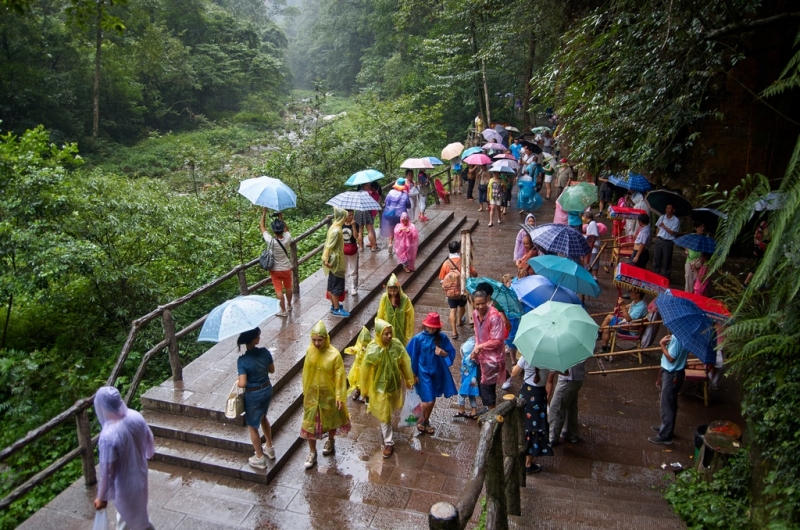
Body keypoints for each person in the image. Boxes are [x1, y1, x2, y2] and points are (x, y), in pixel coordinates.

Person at [93, 386, 156, 530]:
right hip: (140, 473)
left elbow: (108, 470)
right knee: (138, 513)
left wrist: (102, 497)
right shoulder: (135, 416)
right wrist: (148, 453)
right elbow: (149, 437)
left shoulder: (108, 436)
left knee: (126, 519)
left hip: (125, 484)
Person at [360, 318, 415, 458]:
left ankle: (386, 429)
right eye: (386, 334)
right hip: (379, 387)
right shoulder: (372, 350)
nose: (389, 336)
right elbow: (365, 372)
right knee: (385, 413)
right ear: (379, 334)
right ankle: (389, 442)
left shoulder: (396, 345)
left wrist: (409, 379)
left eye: (390, 333)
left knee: (388, 410)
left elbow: (404, 362)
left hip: (393, 384)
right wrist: (364, 390)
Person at [300, 321, 351, 468]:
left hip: (328, 394)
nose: (316, 343)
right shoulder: (310, 351)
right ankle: (312, 452)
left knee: (331, 420)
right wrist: (306, 391)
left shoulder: (334, 355)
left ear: (326, 339)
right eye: (314, 340)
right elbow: (306, 372)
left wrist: (340, 396)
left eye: (319, 340)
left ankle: (331, 439)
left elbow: (340, 376)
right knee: (309, 424)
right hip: (312, 395)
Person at [407, 312, 457, 434]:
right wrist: (413, 374)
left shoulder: (442, 338)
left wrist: (443, 353)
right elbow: (411, 356)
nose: (432, 329)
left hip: (437, 371)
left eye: (434, 327)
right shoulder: (418, 339)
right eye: (430, 326)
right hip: (423, 372)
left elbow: (450, 353)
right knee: (427, 400)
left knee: (432, 398)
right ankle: (414, 417)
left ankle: (425, 421)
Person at [235, 328, 276, 469]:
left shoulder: (242, 361)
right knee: (264, 417)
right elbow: (272, 370)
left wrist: (237, 381)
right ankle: (269, 447)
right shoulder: (265, 353)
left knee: (253, 425)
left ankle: (259, 456)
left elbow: (242, 383)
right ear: (255, 339)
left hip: (253, 395)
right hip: (266, 389)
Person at [511, 357, 552, 473]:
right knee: (536, 427)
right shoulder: (550, 359)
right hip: (539, 395)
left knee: (524, 424)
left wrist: (516, 365)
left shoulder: (526, 356)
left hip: (526, 393)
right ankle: (528, 462)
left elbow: (514, 373)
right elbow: (564, 372)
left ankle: (521, 455)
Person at [649, 334, 688, 445]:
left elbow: (671, 358)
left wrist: (662, 344)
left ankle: (665, 435)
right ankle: (666, 427)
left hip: (672, 375)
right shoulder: (685, 336)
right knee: (670, 403)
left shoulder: (677, 338)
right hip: (676, 373)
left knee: (666, 404)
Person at [470, 290, 506, 410]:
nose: (480, 307)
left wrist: (479, 347)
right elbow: (477, 333)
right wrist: (476, 347)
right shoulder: (475, 314)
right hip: (481, 356)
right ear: (472, 303)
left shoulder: (494, 317)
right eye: (477, 304)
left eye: (483, 303)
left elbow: (497, 340)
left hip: (493, 359)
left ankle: (492, 416)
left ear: (487, 301)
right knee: (482, 386)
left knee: (487, 389)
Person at [439, 240, 478, 340]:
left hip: (450, 292)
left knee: (452, 309)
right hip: (462, 290)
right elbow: (474, 273)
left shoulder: (446, 263)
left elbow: (442, 278)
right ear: (458, 249)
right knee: (461, 306)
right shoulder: (463, 261)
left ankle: (454, 332)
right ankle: (460, 321)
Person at [259, 209, 293, 316]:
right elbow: (287, 230)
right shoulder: (288, 238)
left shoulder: (271, 240)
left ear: (273, 231)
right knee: (288, 287)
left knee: (279, 290)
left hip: (275, 270)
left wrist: (264, 213)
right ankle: (289, 306)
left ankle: (283, 311)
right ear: (282, 229)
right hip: (286, 268)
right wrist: (281, 218)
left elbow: (262, 227)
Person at [597, 289, 648, 360]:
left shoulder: (641, 307)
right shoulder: (638, 301)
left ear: (638, 294)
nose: (630, 293)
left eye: (632, 292)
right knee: (609, 317)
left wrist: (623, 306)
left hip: (630, 328)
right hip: (627, 323)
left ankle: (603, 346)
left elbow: (628, 319)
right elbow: (630, 305)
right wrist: (619, 307)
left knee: (607, 328)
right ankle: (599, 334)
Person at [548, 360, 585, 446]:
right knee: (571, 405)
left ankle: (551, 437)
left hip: (568, 379)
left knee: (557, 407)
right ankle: (570, 433)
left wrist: (552, 371)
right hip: (577, 377)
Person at [322, 207, 350, 317]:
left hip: (335, 259)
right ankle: (336, 308)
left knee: (332, 283)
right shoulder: (337, 231)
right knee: (336, 285)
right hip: (336, 261)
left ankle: (334, 305)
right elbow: (329, 246)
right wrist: (325, 259)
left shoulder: (334, 226)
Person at [377, 273, 415, 346]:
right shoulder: (385, 298)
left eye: (394, 290)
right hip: (387, 328)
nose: (392, 293)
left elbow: (410, 316)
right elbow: (380, 314)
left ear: (398, 289)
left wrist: (409, 334)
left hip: (401, 329)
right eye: (390, 291)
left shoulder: (404, 299)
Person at [652, 204, 680, 280]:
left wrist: (664, 226)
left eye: (669, 208)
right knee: (657, 258)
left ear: (673, 210)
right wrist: (656, 237)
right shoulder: (662, 217)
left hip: (668, 241)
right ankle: (656, 273)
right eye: (666, 208)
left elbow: (672, 232)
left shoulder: (676, 220)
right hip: (660, 239)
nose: (667, 210)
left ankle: (666, 276)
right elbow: (658, 228)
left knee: (667, 259)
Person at [381, 178, 411, 249]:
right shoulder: (405, 195)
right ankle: (400, 246)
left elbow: (386, 202)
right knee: (401, 229)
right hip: (400, 216)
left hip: (390, 214)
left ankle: (390, 244)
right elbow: (409, 206)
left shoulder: (390, 192)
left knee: (392, 228)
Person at [454, 338, 480, 419]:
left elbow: (468, 359)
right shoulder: (474, 359)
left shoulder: (469, 359)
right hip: (472, 379)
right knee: (471, 395)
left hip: (468, 380)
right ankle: (474, 411)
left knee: (461, 394)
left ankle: (462, 410)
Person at [345, 326, 372, 402]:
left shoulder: (370, 349)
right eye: (363, 343)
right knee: (357, 382)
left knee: (365, 382)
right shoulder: (359, 347)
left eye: (366, 344)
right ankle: (358, 392)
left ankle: (365, 395)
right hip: (357, 369)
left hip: (366, 370)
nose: (364, 346)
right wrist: (352, 350)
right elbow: (355, 350)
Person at [355, 183, 381, 252]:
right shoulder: (368, 194)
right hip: (367, 211)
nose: (369, 186)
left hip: (358, 211)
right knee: (370, 230)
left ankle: (360, 247)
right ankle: (373, 247)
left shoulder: (358, 193)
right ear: (363, 186)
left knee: (360, 231)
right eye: (367, 185)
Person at [744, 220, 768, 286]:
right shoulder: (764, 229)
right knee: (758, 266)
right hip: (762, 250)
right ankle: (746, 282)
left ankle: (761, 282)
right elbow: (767, 239)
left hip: (759, 249)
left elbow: (755, 239)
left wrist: (755, 248)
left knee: (761, 266)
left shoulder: (758, 230)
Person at [683, 222, 706, 291]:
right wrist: (687, 249)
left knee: (696, 281)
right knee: (688, 279)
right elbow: (684, 244)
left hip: (699, 261)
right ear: (696, 228)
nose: (702, 228)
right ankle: (687, 296)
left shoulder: (704, 238)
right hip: (689, 260)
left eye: (703, 227)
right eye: (700, 227)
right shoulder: (691, 236)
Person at [342, 210, 360, 294]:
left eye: (352, 215)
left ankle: (353, 286)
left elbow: (356, 236)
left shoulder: (356, 224)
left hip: (352, 248)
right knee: (344, 268)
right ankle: (344, 286)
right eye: (349, 215)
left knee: (353, 269)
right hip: (343, 249)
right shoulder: (341, 224)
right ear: (345, 216)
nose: (351, 217)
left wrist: (353, 226)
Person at [583, 211, 601, 280]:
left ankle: (595, 277)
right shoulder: (590, 224)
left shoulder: (592, 224)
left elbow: (594, 235)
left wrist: (590, 242)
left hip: (594, 246)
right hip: (591, 245)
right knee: (590, 261)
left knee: (594, 262)